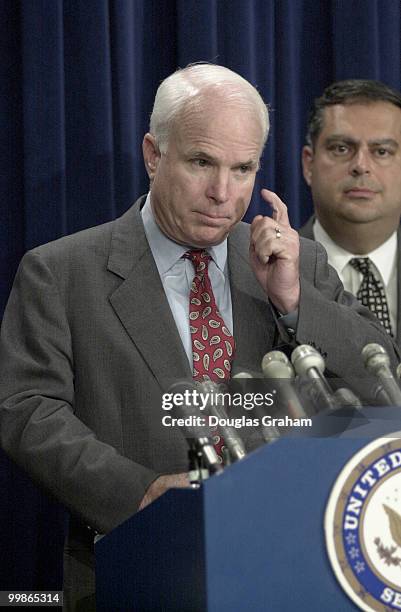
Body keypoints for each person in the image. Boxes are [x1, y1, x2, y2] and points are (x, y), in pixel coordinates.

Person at [0, 65, 398, 610]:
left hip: (291, 565)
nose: (222, 193)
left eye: (243, 169)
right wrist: (139, 491)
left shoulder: (298, 263)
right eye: (201, 162)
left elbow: (381, 392)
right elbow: (26, 412)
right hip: (134, 568)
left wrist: (294, 301)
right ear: (152, 154)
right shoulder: (62, 272)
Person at [299, 79, 401, 343]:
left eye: (381, 151)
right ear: (308, 165)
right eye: (341, 148)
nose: (361, 166)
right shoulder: (265, 276)